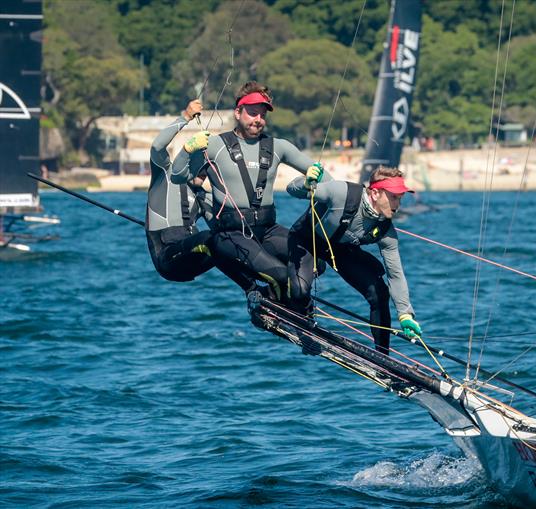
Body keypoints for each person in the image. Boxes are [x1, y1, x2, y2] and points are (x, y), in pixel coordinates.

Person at [171, 81, 329, 300]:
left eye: (262, 115)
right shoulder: (215, 145)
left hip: (268, 229)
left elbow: (324, 176)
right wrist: (187, 150)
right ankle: (269, 298)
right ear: (238, 112)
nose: (258, 120)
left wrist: (320, 180)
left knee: (316, 262)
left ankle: (290, 303)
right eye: (253, 113)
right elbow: (177, 175)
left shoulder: (278, 146)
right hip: (231, 233)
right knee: (281, 275)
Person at [285, 166, 422, 355]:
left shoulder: (386, 231)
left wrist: (405, 313)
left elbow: (395, 273)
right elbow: (291, 189)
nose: (398, 204)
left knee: (379, 293)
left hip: (339, 250)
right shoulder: (342, 193)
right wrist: (307, 184)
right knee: (300, 290)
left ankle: (383, 358)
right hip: (307, 240)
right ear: (375, 193)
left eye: (400, 198)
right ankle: (302, 323)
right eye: (394, 197)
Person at [145, 99, 214, 282]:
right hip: (167, 260)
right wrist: (185, 117)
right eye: (203, 168)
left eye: (209, 170)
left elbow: (224, 225)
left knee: (231, 243)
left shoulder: (202, 197)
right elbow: (157, 146)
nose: (205, 174)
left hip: (191, 264)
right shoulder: (165, 175)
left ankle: (257, 291)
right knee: (212, 238)